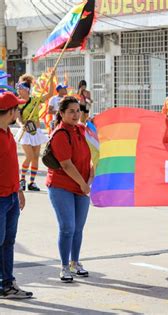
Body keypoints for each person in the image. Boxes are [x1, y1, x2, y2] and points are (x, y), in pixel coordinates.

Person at [47, 96, 93, 282]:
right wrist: (83, 183)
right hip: (62, 186)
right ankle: (65, 266)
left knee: (78, 228)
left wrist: (90, 178)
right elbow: (66, 165)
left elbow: (94, 153)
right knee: (67, 228)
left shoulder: (81, 130)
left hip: (82, 185)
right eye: (71, 111)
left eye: (77, 110)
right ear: (62, 113)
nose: (75, 114)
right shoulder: (60, 134)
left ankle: (75, 262)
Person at [0, 92, 33, 298]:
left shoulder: (8, 133)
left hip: (11, 197)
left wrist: (19, 190)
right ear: (11, 111)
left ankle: (7, 284)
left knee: (8, 242)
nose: (19, 111)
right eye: (17, 108)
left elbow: (11, 165)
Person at [17, 73, 54, 192]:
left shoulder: (35, 100)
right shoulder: (18, 102)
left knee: (36, 157)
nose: (19, 90)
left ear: (27, 90)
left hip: (36, 131)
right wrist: (22, 125)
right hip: (26, 132)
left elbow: (49, 95)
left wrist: (51, 78)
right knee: (29, 156)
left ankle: (32, 182)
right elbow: (18, 117)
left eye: (20, 88)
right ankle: (22, 180)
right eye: (18, 88)